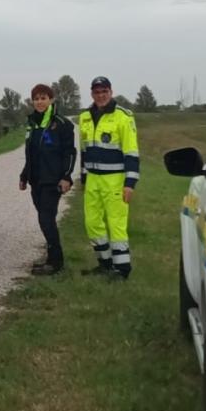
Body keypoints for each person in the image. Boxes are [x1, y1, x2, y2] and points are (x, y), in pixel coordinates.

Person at [77, 75, 139, 279]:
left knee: (116, 224)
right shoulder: (85, 117)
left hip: (115, 179)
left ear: (111, 92)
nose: (101, 95)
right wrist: (84, 177)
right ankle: (104, 264)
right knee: (92, 223)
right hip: (93, 178)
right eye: (97, 92)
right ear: (92, 94)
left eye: (104, 91)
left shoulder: (123, 116)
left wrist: (130, 183)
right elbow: (84, 152)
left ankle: (122, 270)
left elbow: (131, 152)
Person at [18, 83, 75, 275]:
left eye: (43, 98)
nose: (39, 102)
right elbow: (31, 153)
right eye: (36, 98)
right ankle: (52, 257)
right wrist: (24, 175)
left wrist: (66, 177)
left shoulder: (62, 123)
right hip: (37, 180)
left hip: (53, 180)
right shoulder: (32, 123)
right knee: (44, 219)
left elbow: (70, 153)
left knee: (46, 219)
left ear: (51, 100)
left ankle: (55, 262)